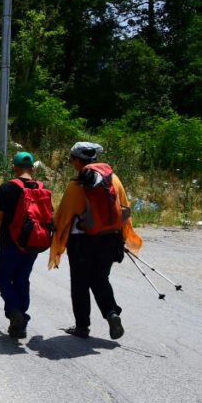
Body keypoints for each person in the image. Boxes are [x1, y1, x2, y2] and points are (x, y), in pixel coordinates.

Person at [48, 142, 142, 339]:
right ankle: (111, 313)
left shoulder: (77, 184)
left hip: (82, 241)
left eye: (71, 159)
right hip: (110, 238)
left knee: (80, 283)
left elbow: (63, 216)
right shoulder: (113, 179)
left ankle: (82, 326)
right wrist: (123, 237)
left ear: (76, 160)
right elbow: (124, 210)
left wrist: (56, 238)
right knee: (100, 278)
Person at [0, 151, 45, 339]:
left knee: (3, 278)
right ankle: (20, 324)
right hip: (33, 243)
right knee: (22, 279)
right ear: (33, 168)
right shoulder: (41, 187)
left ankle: (15, 312)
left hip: (10, 243)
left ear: (14, 167)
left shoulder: (7, 188)